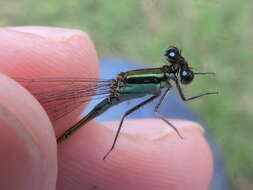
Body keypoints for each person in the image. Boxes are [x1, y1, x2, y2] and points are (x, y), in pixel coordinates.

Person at [0, 26, 227, 190]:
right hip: (115, 91)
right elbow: (160, 107)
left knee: (118, 74)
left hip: (119, 85)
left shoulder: (164, 78)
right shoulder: (163, 82)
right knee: (136, 109)